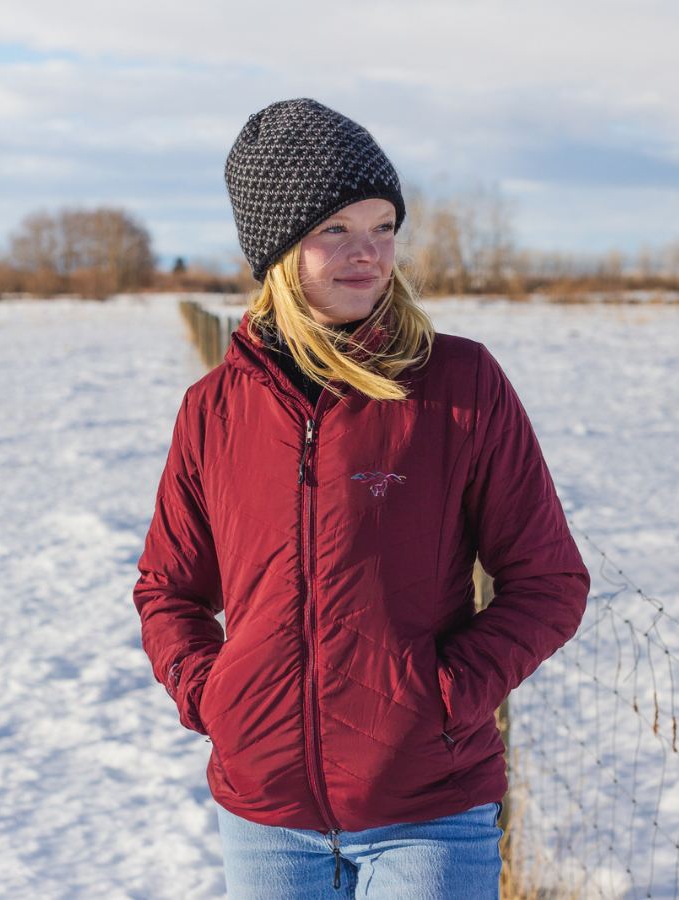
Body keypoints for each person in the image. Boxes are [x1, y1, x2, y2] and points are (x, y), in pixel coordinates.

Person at [134, 98, 589, 899]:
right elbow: (168, 589)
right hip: (265, 816)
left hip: (428, 811)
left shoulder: (459, 384)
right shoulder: (214, 408)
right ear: (274, 250)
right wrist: (217, 699)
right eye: (334, 230)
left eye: (383, 227)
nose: (369, 253)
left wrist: (443, 700)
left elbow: (549, 583)